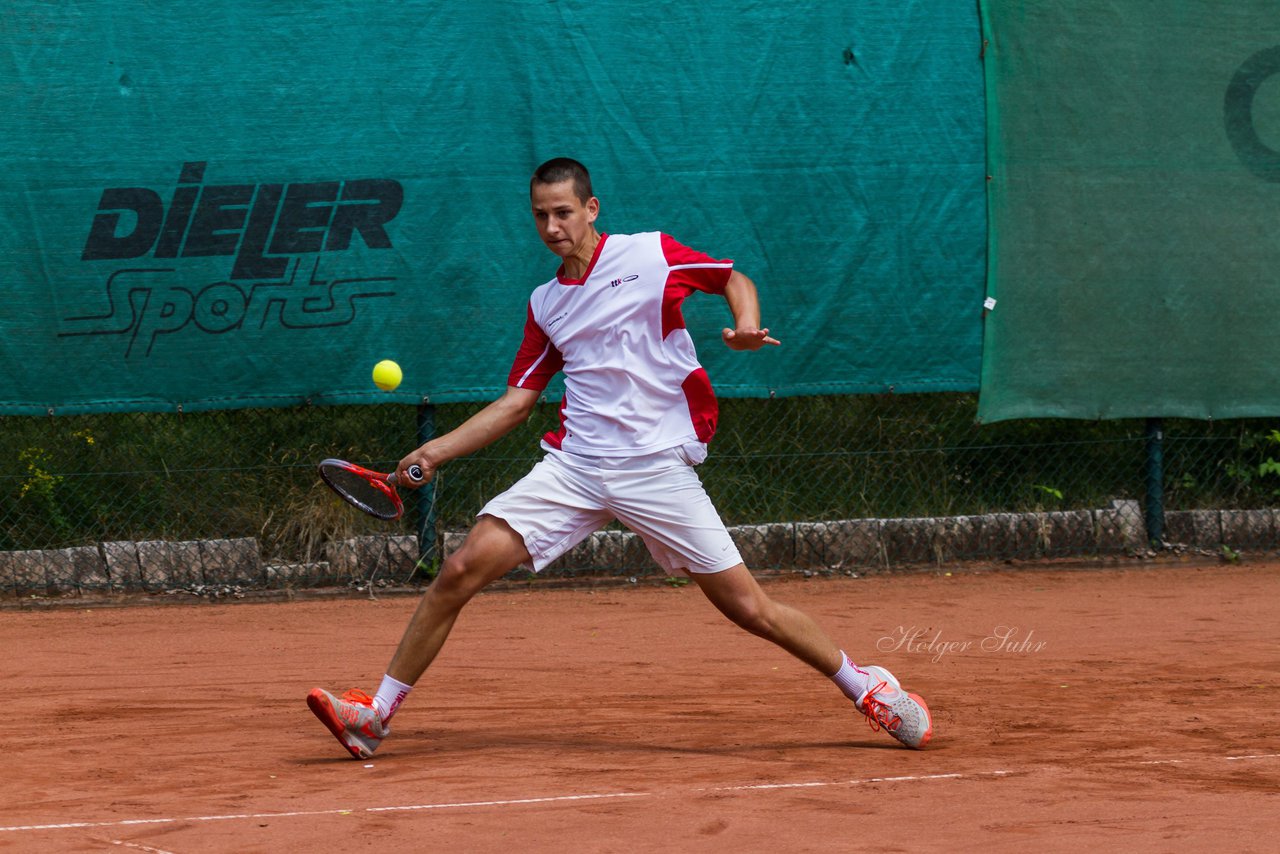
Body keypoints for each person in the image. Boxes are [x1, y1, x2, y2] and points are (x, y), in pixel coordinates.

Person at [307, 157, 933, 758]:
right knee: (460, 570)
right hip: (575, 468)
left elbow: (731, 278)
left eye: (562, 213)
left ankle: (867, 685)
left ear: (590, 208)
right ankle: (376, 716)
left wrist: (745, 325)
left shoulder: (648, 254)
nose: (552, 228)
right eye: (539, 216)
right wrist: (434, 452)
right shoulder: (545, 303)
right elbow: (516, 402)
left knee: (749, 609)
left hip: (656, 467)